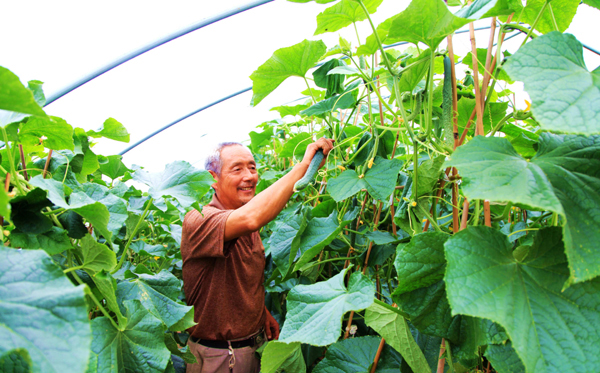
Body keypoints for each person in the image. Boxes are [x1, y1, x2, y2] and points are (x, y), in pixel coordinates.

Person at [180, 138, 334, 373]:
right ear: (213, 178)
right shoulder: (200, 219)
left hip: (253, 347)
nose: (250, 176)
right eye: (237, 169)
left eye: (252, 167)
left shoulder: (245, 225)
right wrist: (304, 167)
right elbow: (253, 217)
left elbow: (237, 278)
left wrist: (260, 313)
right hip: (220, 357)